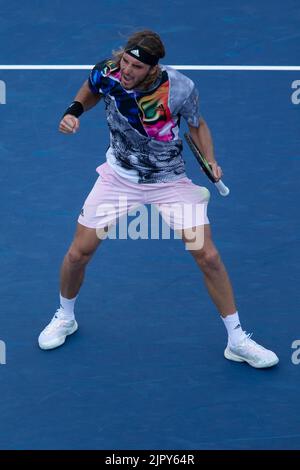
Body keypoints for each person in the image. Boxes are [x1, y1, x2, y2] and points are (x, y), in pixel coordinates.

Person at [38, 30, 279, 368]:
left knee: (208, 256)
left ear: (153, 69)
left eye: (136, 66)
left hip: (169, 182)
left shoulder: (180, 88)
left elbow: (197, 126)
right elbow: (91, 88)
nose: (127, 70)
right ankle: (66, 317)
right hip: (118, 178)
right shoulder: (109, 72)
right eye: (125, 61)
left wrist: (210, 159)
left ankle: (237, 340)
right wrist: (74, 111)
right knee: (79, 253)